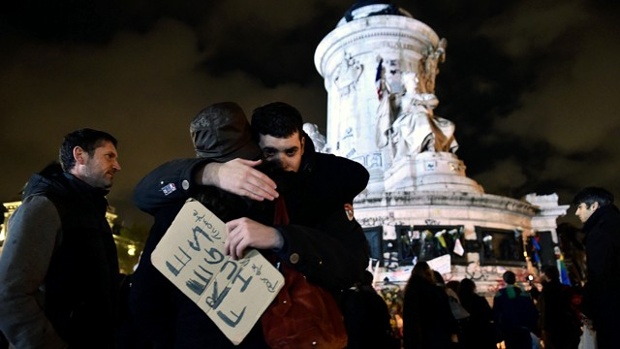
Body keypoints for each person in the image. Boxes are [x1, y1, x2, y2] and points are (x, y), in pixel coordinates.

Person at [130, 102, 370, 347]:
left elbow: (352, 261)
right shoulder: (177, 206)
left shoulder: (299, 192)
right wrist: (213, 173)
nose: (241, 178)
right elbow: (147, 299)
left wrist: (279, 237)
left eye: (290, 152)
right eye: (232, 170)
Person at [0, 128, 122, 348]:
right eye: (109, 156)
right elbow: (9, 295)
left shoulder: (93, 212)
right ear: (79, 155)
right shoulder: (45, 207)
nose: (117, 166)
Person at [573, 186, 620, 349]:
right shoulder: (614, 224)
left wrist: (588, 309)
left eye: (580, 207)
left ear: (594, 206)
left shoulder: (600, 232)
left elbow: (599, 275)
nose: (577, 213)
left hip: (612, 312)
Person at [402, 262, 455, 349]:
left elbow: (409, 319)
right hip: (437, 337)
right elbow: (447, 314)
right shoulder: (436, 292)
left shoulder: (410, 292)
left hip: (417, 339)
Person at [341, 271, 399, 349]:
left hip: (357, 341)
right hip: (376, 341)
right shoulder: (377, 299)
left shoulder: (351, 299)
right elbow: (385, 321)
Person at [537, 265, 581, 349]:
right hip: (567, 327)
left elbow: (542, 310)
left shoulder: (545, 292)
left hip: (551, 329)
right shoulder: (566, 289)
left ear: (547, 276)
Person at [492, 271, 539, 349]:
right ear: (514, 279)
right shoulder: (524, 294)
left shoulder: (499, 295)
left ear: (504, 280)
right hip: (524, 329)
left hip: (508, 330)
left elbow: (496, 314)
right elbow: (532, 312)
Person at [458, 278, 498, 349]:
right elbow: (490, 315)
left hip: (467, 336)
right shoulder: (480, 300)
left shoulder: (458, 302)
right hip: (483, 335)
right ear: (473, 288)